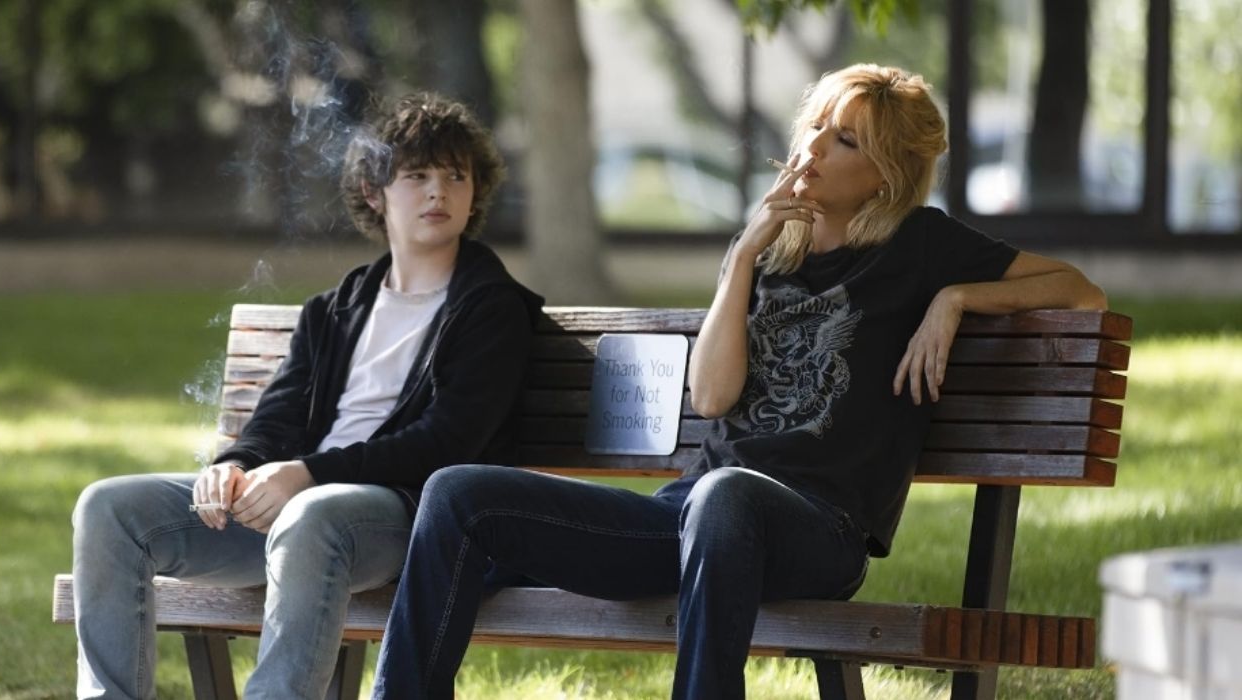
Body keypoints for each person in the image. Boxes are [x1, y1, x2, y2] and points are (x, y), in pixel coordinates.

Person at [370, 64, 1108, 699]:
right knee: (458, 494)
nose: (813, 148)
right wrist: (743, 258)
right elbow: (712, 398)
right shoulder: (768, 249)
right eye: (814, 127)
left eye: (843, 140)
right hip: (694, 520)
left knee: (727, 494)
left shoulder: (921, 246)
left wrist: (955, 299)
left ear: (886, 172)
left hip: (818, 532)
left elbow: (1080, 290)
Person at [70, 92, 543, 699]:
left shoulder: (490, 308)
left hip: (411, 518)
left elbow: (447, 441)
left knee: (312, 516)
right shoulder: (334, 309)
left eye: (457, 176)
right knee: (108, 508)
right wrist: (235, 464)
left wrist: (309, 474)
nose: (439, 192)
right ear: (375, 192)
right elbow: (280, 413)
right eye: (417, 176)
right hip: (305, 508)